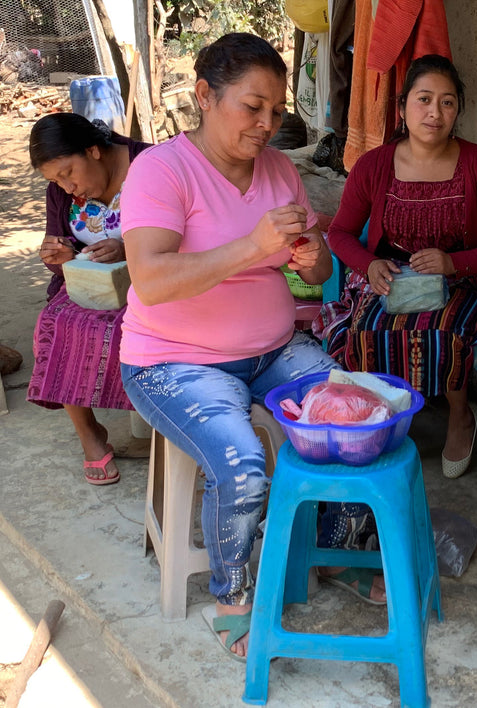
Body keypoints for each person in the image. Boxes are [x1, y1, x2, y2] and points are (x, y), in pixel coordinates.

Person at [118, 33, 374, 662]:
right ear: (205, 96)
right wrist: (253, 247)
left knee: (359, 417)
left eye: (277, 112)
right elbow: (151, 278)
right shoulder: (161, 171)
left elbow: (310, 276)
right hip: (173, 360)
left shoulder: (281, 169)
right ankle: (233, 600)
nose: (267, 125)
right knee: (241, 466)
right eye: (252, 107)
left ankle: (328, 553)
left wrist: (312, 261)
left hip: (272, 348)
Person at [321, 54, 477, 479]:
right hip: (389, 279)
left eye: (448, 102)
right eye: (424, 99)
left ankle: (459, 414)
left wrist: (453, 262)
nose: (435, 112)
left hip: (458, 283)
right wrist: (369, 264)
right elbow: (340, 233)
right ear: (402, 108)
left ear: (458, 110)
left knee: (442, 329)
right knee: (363, 332)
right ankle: (375, 416)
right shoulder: (374, 165)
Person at [27, 113, 151, 485]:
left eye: (68, 172)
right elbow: (60, 252)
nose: (66, 187)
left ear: (93, 150)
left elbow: (188, 232)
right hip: (89, 287)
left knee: (132, 332)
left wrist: (130, 248)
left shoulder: (151, 165)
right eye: (55, 180)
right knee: (56, 324)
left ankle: (159, 420)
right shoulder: (61, 193)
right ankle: (90, 434)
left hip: (151, 282)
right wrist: (58, 256)